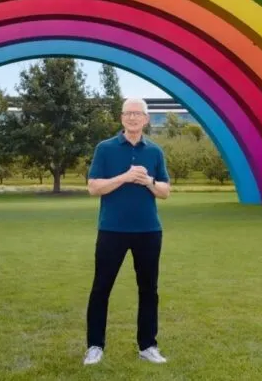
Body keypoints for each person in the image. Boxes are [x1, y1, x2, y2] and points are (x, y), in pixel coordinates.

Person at [83, 97, 171, 365]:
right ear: (122, 118)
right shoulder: (105, 149)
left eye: (138, 114)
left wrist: (147, 181)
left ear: (146, 119)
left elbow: (165, 191)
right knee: (101, 288)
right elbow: (93, 187)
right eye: (128, 113)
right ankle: (95, 346)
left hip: (148, 231)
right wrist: (125, 176)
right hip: (112, 230)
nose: (133, 118)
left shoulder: (155, 152)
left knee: (148, 290)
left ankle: (148, 346)